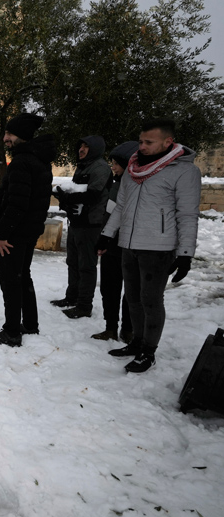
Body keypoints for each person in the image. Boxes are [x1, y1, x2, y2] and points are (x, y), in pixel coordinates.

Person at [97, 118, 201, 373]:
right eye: (141, 141)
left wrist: (185, 254)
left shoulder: (184, 171)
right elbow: (121, 207)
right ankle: (136, 342)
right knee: (132, 298)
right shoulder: (133, 169)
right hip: (128, 244)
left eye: (148, 142)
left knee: (150, 300)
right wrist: (107, 235)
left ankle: (148, 351)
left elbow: (187, 214)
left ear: (168, 142)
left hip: (158, 247)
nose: (141, 146)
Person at [0, 112, 56, 347]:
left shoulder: (24, 162)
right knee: (22, 276)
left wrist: (2, 234)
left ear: (22, 136)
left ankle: (12, 331)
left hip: (16, 233)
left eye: (9, 133)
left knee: (11, 280)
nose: (5, 138)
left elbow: (17, 204)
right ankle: (31, 324)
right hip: (28, 230)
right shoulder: (38, 158)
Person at [51, 136, 111, 318]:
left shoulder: (100, 167)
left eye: (86, 147)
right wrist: (65, 198)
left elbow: (93, 195)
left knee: (86, 265)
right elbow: (77, 190)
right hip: (76, 221)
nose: (81, 150)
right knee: (73, 262)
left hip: (90, 224)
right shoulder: (83, 166)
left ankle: (84, 306)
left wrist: (69, 198)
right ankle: (72, 297)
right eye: (80, 146)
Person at [91, 141, 138, 342]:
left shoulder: (135, 186)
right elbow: (108, 214)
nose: (113, 167)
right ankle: (110, 327)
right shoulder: (115, 183)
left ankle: (128, 330)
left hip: (128, 247)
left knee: (130, 292)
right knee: (109, 290)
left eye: (116, 163)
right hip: (110, 246)